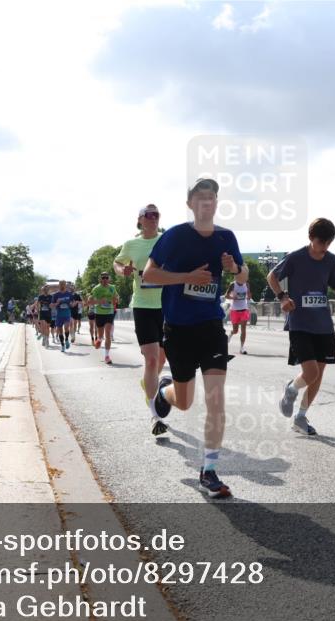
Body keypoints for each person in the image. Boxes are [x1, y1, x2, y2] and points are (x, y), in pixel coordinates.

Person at [144, 178, 245, 498]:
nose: (207, 202)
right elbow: (149, 275)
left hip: (212, 326)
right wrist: (186, 277)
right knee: (184, 401)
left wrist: (234, 269)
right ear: (190, 204)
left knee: (216, 399)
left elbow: (243, 274)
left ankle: (210, 469)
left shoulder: (226, 237)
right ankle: (164, 392)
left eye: (212, 197)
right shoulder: (174, 236)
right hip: (178, 328)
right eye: (201, 197)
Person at [268, 217, 335, 436]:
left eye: (328, 243)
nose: (323, 248)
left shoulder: (331, 260)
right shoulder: (295, 258)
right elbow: (271, 277)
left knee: (318, 374)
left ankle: (301, 417)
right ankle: (292, 389)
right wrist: (282, 297)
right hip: (300, 323)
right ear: (311, 238)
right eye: (320, 243)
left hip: (323, 324)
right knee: (310, 372)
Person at [114, 203, 168, 435]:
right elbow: (118, 262)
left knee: (163, 359)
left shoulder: (167, 239)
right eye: (149, 215)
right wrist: (121, 270)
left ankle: (148, 383)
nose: (154, 218)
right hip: (144, 306)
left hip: (167, 305)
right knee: (152, 360)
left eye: (157, 214)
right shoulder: (131, 244)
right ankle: (155, 415)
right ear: (140, 220)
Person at [89, 272, 119, 364]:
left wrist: (115, 300)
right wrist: (99, 301)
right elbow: (89, 301)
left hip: (109, 313)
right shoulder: (96, 289)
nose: (105, 279)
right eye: (103, 278)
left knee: (108, 335)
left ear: (109, 279)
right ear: (100, 279)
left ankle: (107, 356)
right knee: (101, 336)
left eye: (107, 278)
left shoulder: (112, 287)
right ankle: (99, 339)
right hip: (99, 314)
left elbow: (116, 298)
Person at [225, 275, 251, 355]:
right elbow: (226, 295)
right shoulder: (233, 284)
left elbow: (249, 296)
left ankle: (242, 348)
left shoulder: (246, 284)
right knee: (235, 330)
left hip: (244, 309)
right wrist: (233, 298)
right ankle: (231, 334)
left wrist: (248, 296)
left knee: (243, 329)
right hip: (234, 310)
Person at [51, 280, 76, 350]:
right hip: (59, 315)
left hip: (67, 314)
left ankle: (67, 340)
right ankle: (62, 345)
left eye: (63, 284)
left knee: (66, 328)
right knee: (60, 331)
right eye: (61, 284)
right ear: (59, 285)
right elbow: (51, 305)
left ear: (65, 285)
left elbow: (73, 303)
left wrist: (72, 304)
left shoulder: (69, 294)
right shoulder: (55, 295)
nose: (62, 285)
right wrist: (57, 303)